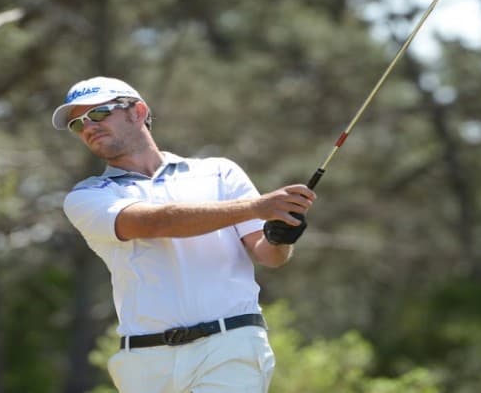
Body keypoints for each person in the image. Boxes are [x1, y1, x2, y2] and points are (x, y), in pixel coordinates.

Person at [54, 76, 315, 393]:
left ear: (137, 111)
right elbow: (156, 224)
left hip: (229, 346)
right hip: (145, 362)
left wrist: (280, 236)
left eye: (97, 114)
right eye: (77, 125)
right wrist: (258, 207)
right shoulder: (87, 197)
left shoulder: (219, 171)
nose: (88, 128)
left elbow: (268, 255)